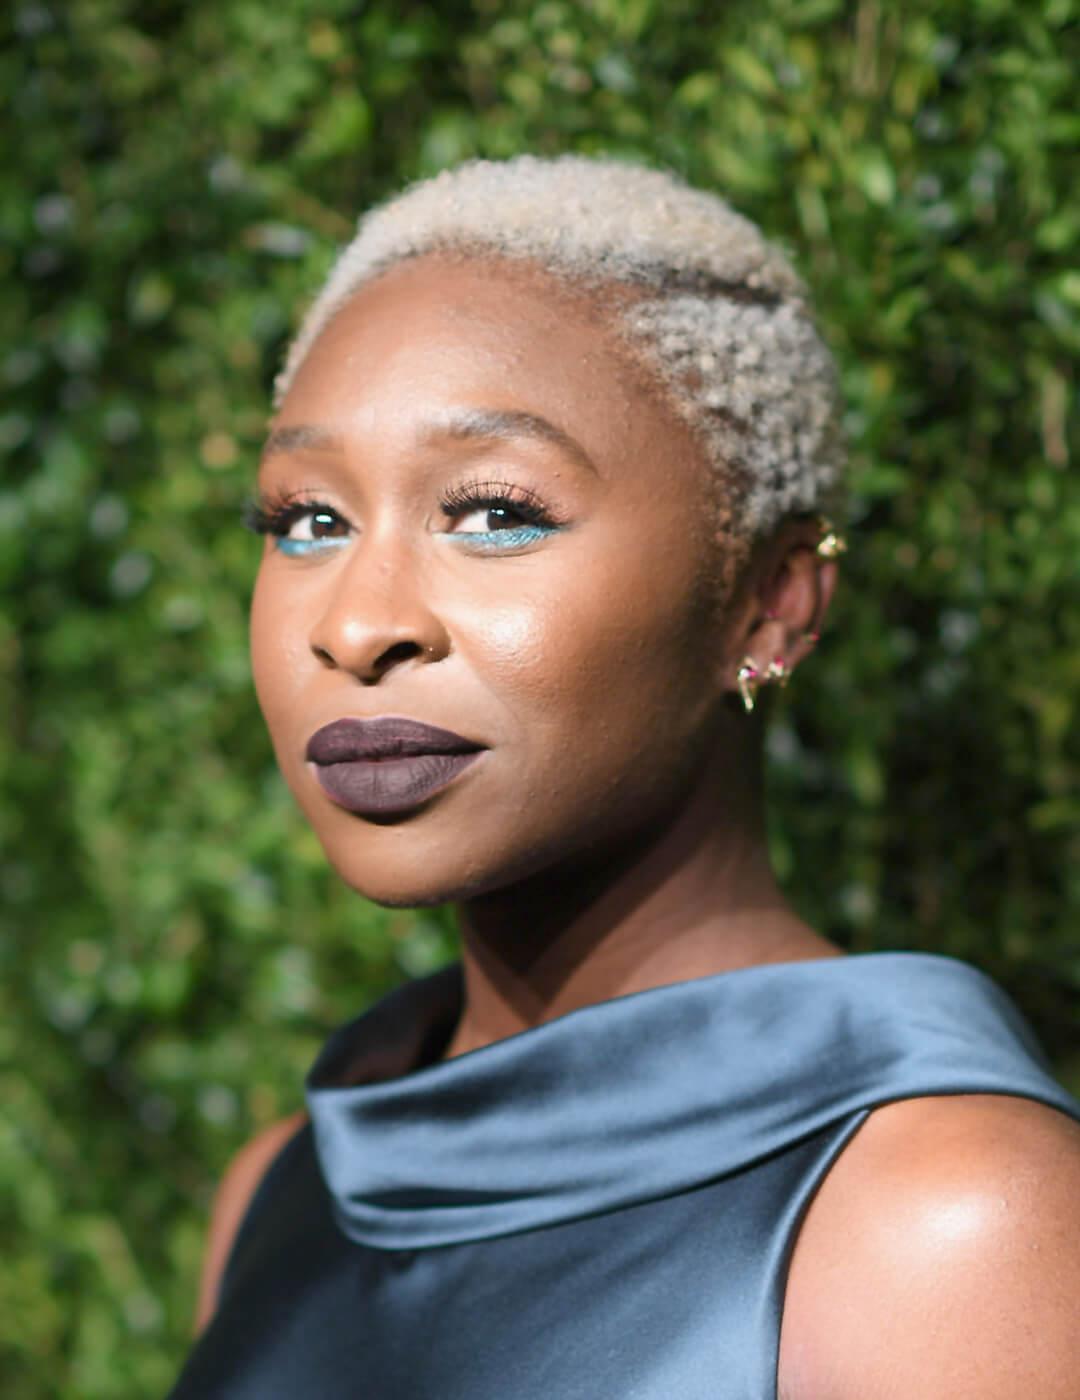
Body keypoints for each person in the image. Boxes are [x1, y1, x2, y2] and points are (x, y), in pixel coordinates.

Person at [168, 156, 1080, 1399]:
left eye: (494, 512)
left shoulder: (947, 1222)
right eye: (308, 521)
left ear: (770, 602)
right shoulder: (281, 1192)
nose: (358, 623)